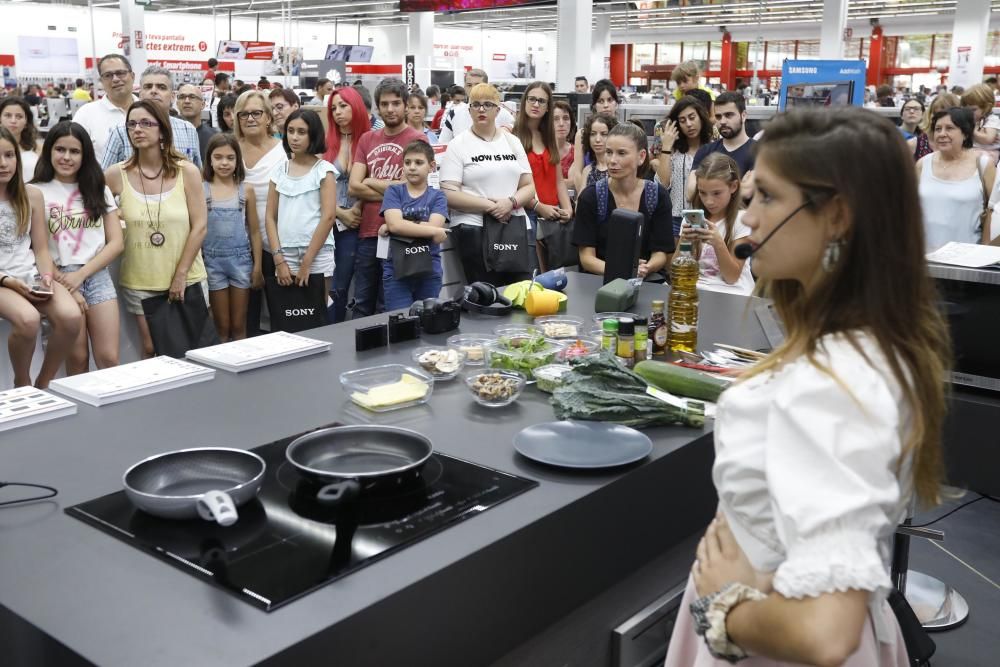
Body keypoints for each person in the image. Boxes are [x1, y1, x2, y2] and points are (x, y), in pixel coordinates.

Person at [664, 105, 949, 667]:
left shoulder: (833, 379)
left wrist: (720, 605)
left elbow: (823, 632)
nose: (748, 220)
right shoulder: (862, 344)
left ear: (837, 215)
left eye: (766, 198)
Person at [104, 101, 208, 358]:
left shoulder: (188, 172)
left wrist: (181, 275)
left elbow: (200, 226)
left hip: (188, 276)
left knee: (194, 349)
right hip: (141, 278)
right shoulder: (116, 175)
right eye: (132, 124)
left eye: (146, 123)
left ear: (162, 130)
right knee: (151, 349)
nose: (137, 129)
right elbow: (97, 216)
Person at [32, 121, 123, 373]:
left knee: (109, 358)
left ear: (85, 155)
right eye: (60, 149)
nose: (66, 157)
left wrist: (81, 276)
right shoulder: (35, 192)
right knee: (77, 358)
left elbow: (116, 242)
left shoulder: (98, 189)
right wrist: (68, 285)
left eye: (75, 151)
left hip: (96, 275)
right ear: (49, 150)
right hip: (57, 278)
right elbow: (35, 247)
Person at [0, 127, 82, 387]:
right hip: (3, 281)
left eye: (9, 155)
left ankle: (43, 383)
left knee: (70, 317)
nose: (4, 163)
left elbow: (41, 248)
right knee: (28, 320)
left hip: (29, 274)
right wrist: (7, 281)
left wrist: (46, 276)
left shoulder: (31, 195)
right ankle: (21, 382)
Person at [439, 82, 535, 286]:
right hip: (474, 229)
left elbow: (528, 186)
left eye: (488, 104)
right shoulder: (458, 144)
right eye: (476, 104)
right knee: (486, 295)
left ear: (498, 110)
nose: (481, 109)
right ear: (469, 109)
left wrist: (510, 203)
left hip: (515, 225)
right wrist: (491, 206)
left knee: (522, 291)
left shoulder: (512, 141)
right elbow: (448, 193)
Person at [349, 78, 428, 318]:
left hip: (401, 233)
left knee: (390, 304)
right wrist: (394, 189)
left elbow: (413, 189)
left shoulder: (418, 140)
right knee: (362, 301)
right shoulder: (366, 139)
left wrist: (371, 181)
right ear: (377, 107)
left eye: (396, 103)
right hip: (368, 232)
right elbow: (353, 186)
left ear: (405, 105)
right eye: (385, 104)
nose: (390, 109)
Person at [573, 124, 672, 279]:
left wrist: (646, 267)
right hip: (599, 280)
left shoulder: (657, 195)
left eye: (621, 153)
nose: (612, 160)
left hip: (644, 281)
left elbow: (660, 253)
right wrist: (624, 270)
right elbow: (587, 259)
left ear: (641, 156)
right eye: (609, 152)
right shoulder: (591, 197)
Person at [265, 109, 336, 305]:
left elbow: (328, 217)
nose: (294, 137)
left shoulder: (324, 171)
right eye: (290, 130)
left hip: (318, 253)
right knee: (288, 313)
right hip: (285, 252)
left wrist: (307, 262)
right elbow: (270, 217)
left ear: (313, 135)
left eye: (302, 132)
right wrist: (278, 260)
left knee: (317, 313)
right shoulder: (279, 171)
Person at [235, 90, 287, 336]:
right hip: (237, 245)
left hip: (278, 243)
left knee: (282, 314)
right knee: (246, 321)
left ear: (268, 117)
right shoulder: (229, 149)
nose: (250, 119)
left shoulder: (285, 149)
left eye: (256, 113)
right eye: (243, 114)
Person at [379, 141, 449, 310]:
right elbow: (396, 225)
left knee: (428, 320)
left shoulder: (438, 196)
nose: (412, 167)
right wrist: (431, 230)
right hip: (396, 269)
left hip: (429, 270)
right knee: (401, 321)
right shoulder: (394, 191)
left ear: (431, 166)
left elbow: (432, 226)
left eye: (418, 162)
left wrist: (400, 224)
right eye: (407, 162)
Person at [202, 133, 258, 342]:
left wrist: (258, 265)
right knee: (221, 326)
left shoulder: (246, 190)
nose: (224, 163)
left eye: (230, 157)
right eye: (218, 157)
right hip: (212, 262)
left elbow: (254, 231)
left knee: (239, 325)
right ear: (209, 159)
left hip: (241, 261)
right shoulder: (201, 189)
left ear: (238, 160)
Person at [916, 107, 994, 250]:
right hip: (924, 256)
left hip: (967, 259)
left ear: (965, 133)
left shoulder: (983, 164)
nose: (942, 134)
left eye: (949, 128)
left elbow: (994, 211)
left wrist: (985, 249)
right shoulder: (923, 164)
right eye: (938, 129)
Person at [514, 81, 572, 271]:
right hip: (529, 214)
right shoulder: (513, 137)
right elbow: (513, 186)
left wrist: (568, 209)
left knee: (558, 275)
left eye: (541, 101)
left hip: (554, 217)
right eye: (532, 99)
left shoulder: (549, 136)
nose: (536, 104)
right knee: (539, 276)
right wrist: (539, 207)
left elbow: (558, 181)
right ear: (524, 102)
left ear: (548, 107)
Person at [100, 65, 202, 170]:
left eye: (161, 87)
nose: (154, 91)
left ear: (172, 96)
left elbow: (198, 174)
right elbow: (104, 179)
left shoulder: (188, 129)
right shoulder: (121, 131)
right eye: (148, 87)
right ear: (140, 94)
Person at [322, 86, 367, 322]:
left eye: (343, 106)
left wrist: (356, 209)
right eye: (333, 108)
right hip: (329, 220)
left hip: (360, 220)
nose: (338, 112)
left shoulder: (369, 139)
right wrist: (341, 213)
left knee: (351, 284)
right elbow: (316, 186)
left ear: (355, 106)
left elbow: (370, 181)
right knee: (333, 283)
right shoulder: (326, 142)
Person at [679, 153, 753, 295]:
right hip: (696, 290)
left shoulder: (743, 220)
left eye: (716, 193)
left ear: (733, 187)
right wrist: (684, 240)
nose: (709, 201)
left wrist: (718, 243)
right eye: (702, 192)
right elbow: (676, 270)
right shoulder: (692, 218)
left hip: (733, 293)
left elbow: (731, 277)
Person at [653, 95, 713, 240]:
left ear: (701, 117)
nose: (689, 124)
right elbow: (662, 184)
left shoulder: (712, 148)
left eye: (692, 117)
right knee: (676, 262)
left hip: (707, 218)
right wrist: (666, 146)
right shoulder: (674, 152)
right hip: (676, 219)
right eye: (682, 120)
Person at [686, 92, 755, 202]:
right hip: (710, 219)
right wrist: (738, 190)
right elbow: (690, 194)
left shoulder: (759, 151)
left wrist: (708, 191)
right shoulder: (705, 151)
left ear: (743, 115)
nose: (722, 121)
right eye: (718, 116)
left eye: (729, 115)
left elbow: (748, 192)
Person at [438, 71, 515, 143]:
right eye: (469, 85)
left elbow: (516, 133)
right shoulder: (454, 113)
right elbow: (443, 143)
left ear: (486, 86)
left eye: (478, 85)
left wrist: (509, 127)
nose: (473, 88)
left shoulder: (500, 112)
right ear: (464, 87)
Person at [571, 113, 618, 193]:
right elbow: (581, 202)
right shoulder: (587, 171)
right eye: (593, 134)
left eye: (604, 134)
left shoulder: (618, 168)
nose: (597, 139)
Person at [176, 83, 218, 164]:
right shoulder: (168, 133)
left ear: (203, 105)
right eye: (182, 97)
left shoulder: (214, 137)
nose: (186, 101)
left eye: (192, 97)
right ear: (177, 104)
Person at [909, 92, 959, 161]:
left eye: (944, 115)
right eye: (935, 113)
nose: (939, 118)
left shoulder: (965, 145)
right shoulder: (913, 145)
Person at [0, 98, 41, 181]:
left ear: (26, 122)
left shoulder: (38, 148)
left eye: (19, 116)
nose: (13, 120)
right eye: (8, 115)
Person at [960, 83, 1000, 164]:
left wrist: (972, 130)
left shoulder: (992, 120)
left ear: (987, 107)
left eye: (973, 109)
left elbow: (987, 139)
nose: (969, 113)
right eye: (966, 109)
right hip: (974, 151)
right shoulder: (972, 119)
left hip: (989, 153)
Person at [552, 100, 576, 181]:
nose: (561, 123)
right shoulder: (541, 150)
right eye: (556, 119)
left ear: (571, 122)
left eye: (566, 118)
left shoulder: (576, 152)